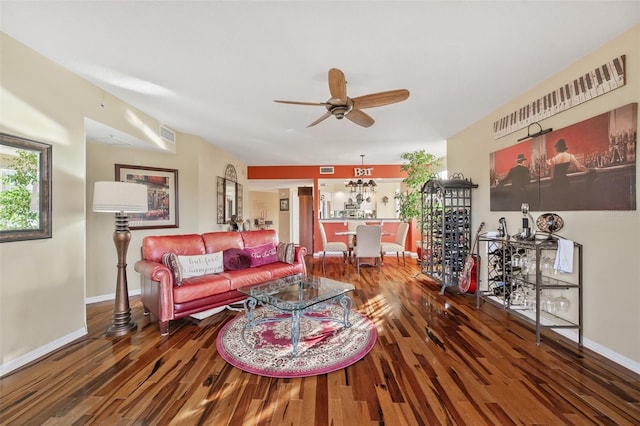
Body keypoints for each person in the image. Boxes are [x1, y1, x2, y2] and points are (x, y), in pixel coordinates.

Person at [546, 138, 588, 209]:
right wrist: (588, 170)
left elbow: (552, 177)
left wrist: (549, 165)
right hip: (565, 182)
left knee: (558, 204)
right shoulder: (570, 156)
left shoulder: (553, 160)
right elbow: (579, 167)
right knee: (567, 203)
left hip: (556, 184)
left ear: (557, 148)